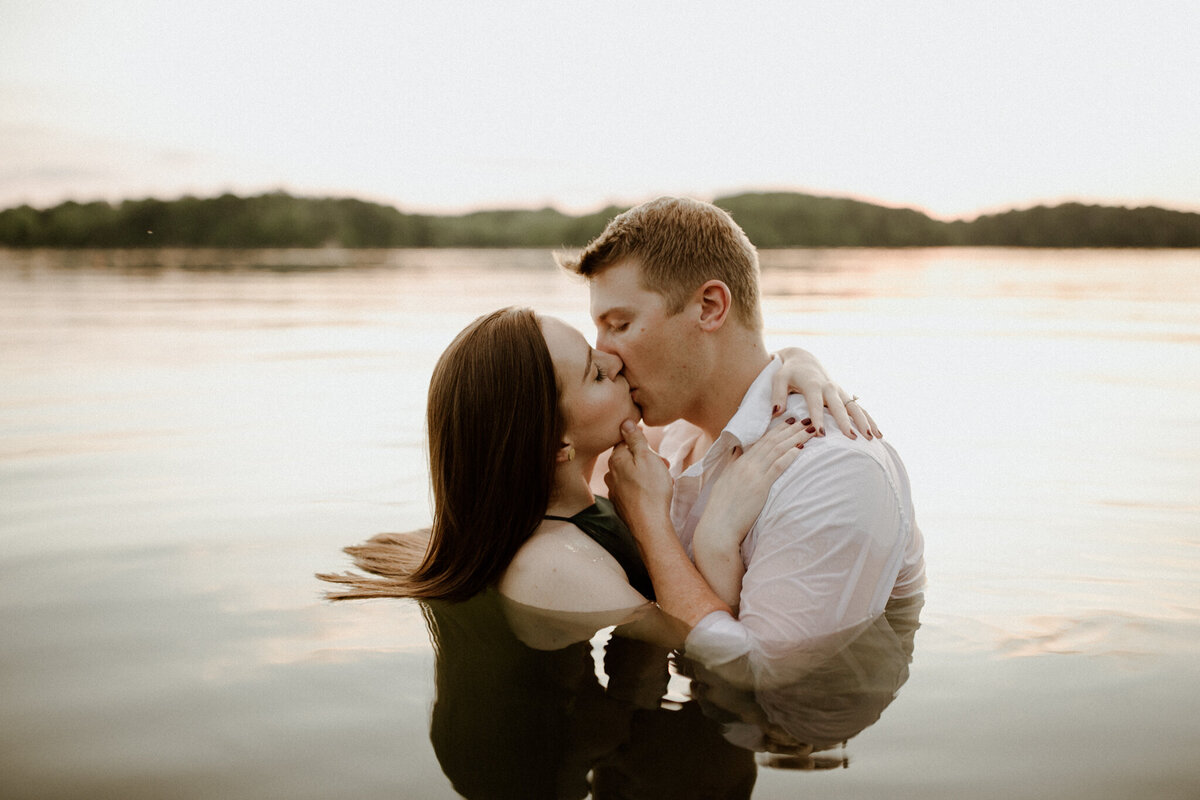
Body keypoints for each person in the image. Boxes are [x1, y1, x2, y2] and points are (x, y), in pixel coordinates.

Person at [558, 196, 926, 686]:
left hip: (784, 737)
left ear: (710, 307)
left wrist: (656, 526)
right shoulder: (664, 438)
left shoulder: (833, 470)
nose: (606, 355)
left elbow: (760, 674)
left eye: (620, 325)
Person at [320, 306, 859, 628]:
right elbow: (709, 657)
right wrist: (719, 531)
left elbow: (723, 387)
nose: (615, 360)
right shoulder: (555, 566)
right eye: (594, 375)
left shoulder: (599, 481)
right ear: (557, 443)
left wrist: (797, 360)